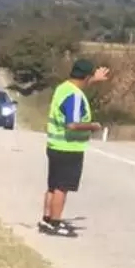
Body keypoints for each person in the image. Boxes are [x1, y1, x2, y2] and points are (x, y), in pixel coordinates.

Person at [42, 58, 109, 237]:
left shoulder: (63, 88)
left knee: (53, 185)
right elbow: (72, 124)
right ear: (86, 77)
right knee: (62, 188)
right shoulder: (75, 96)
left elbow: (80, 85)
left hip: (55, 145)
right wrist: (93, 126)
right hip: (68, 146)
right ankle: (55, 223)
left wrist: (95, 79)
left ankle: (47, 219)